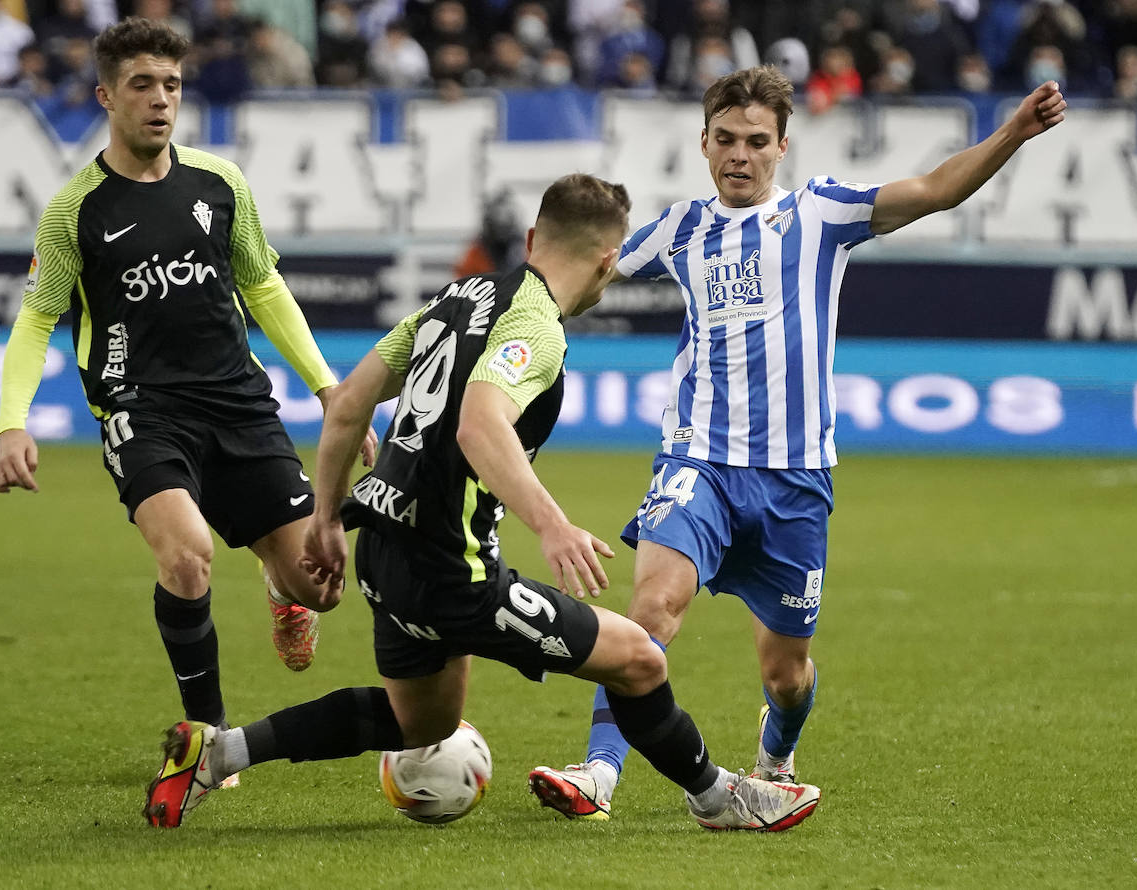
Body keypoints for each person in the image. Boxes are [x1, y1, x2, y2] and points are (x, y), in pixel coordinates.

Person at [143, 173, 820, 833]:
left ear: (532, 237)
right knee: (640, 659)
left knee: (426, 723)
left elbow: (349, 404)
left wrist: (324, 517)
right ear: (610, 261)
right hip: (450, 572)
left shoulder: (456, 298)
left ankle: (218, 753)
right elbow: (480, 423)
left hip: (383, 551)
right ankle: (719, 798)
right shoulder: (539, 327)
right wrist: (552, 526)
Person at [528, 64, 1067, 820]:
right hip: (699, 462)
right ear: (704, 142)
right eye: (725, 140)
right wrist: (513, 325)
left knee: (786, 672)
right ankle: (599, 773)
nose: (738, 155)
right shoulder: (680, 229)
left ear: (784, 146)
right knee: (652, 610)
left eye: (755, 141)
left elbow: (938, 188)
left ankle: (774, 757)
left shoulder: (824, 214)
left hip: (794, 482)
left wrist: (1012, 131)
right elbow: (582, 271)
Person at [0, 18, 353, 747]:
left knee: (322, 584)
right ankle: (212, 737)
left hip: (239, 406)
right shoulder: (74, 212)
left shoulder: (219, 184)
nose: (161, 99)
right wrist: (12, 421)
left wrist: (328, 389)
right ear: (106, 96)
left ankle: (284, 591)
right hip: (143, 410)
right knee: (187, 556)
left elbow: (264, 286)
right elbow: (35, 322)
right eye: (142, 85)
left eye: (172, 85)